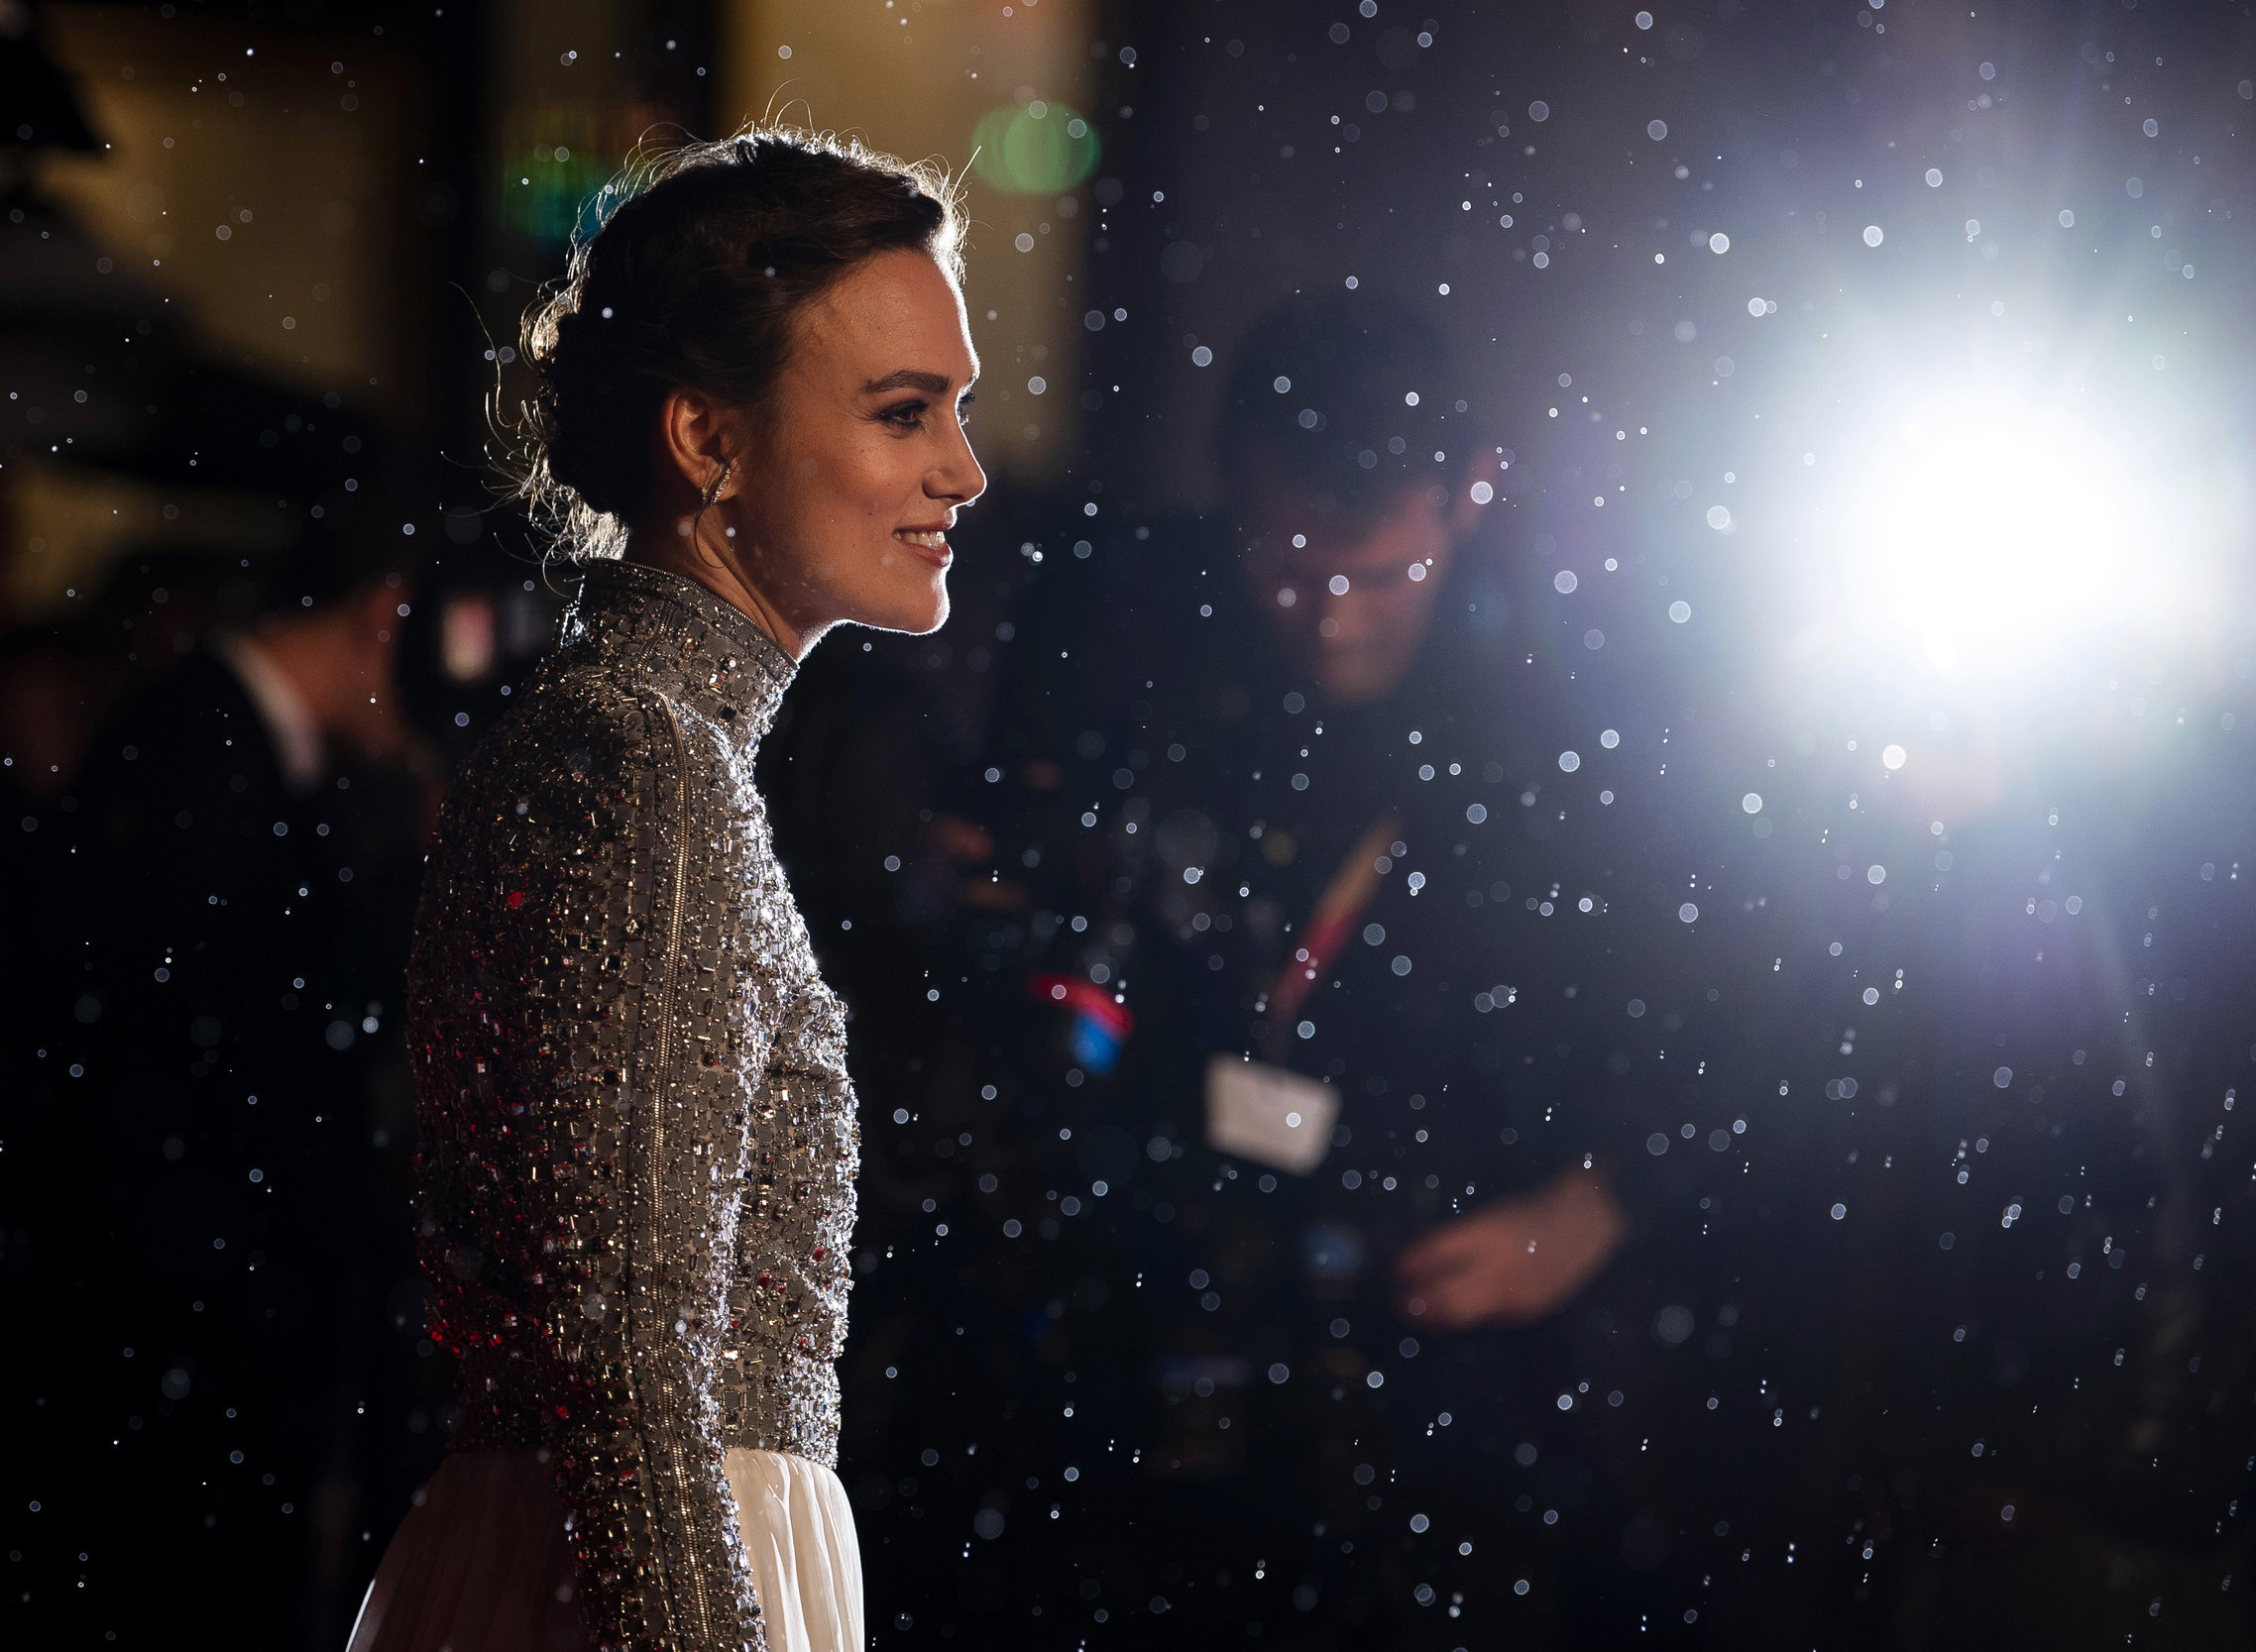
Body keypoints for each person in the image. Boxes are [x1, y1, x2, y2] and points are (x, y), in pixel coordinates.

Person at [349, 128, 984, 1652]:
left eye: (957, 408)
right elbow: (626, 1348)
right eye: (905, 414)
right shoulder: (637, 765)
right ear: (709, 439)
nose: (961, 469)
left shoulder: (636, 745)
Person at [977, 291, 1648, 1640]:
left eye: (1384, 573)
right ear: (1230, 491)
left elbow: (1737, 1007)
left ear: (1468, 498)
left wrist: (1606, 1198)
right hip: (1155, 1283)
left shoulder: (1573, 689)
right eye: (1288, 565)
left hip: (1454, 1327)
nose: (1333, 617)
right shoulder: (1125, 632)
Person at [7, 524, 434, 1649]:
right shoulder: (200, 743)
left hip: (200, 1262)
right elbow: (242, 1026)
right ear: (382, 616)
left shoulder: (215, 732)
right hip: (182, 1275)